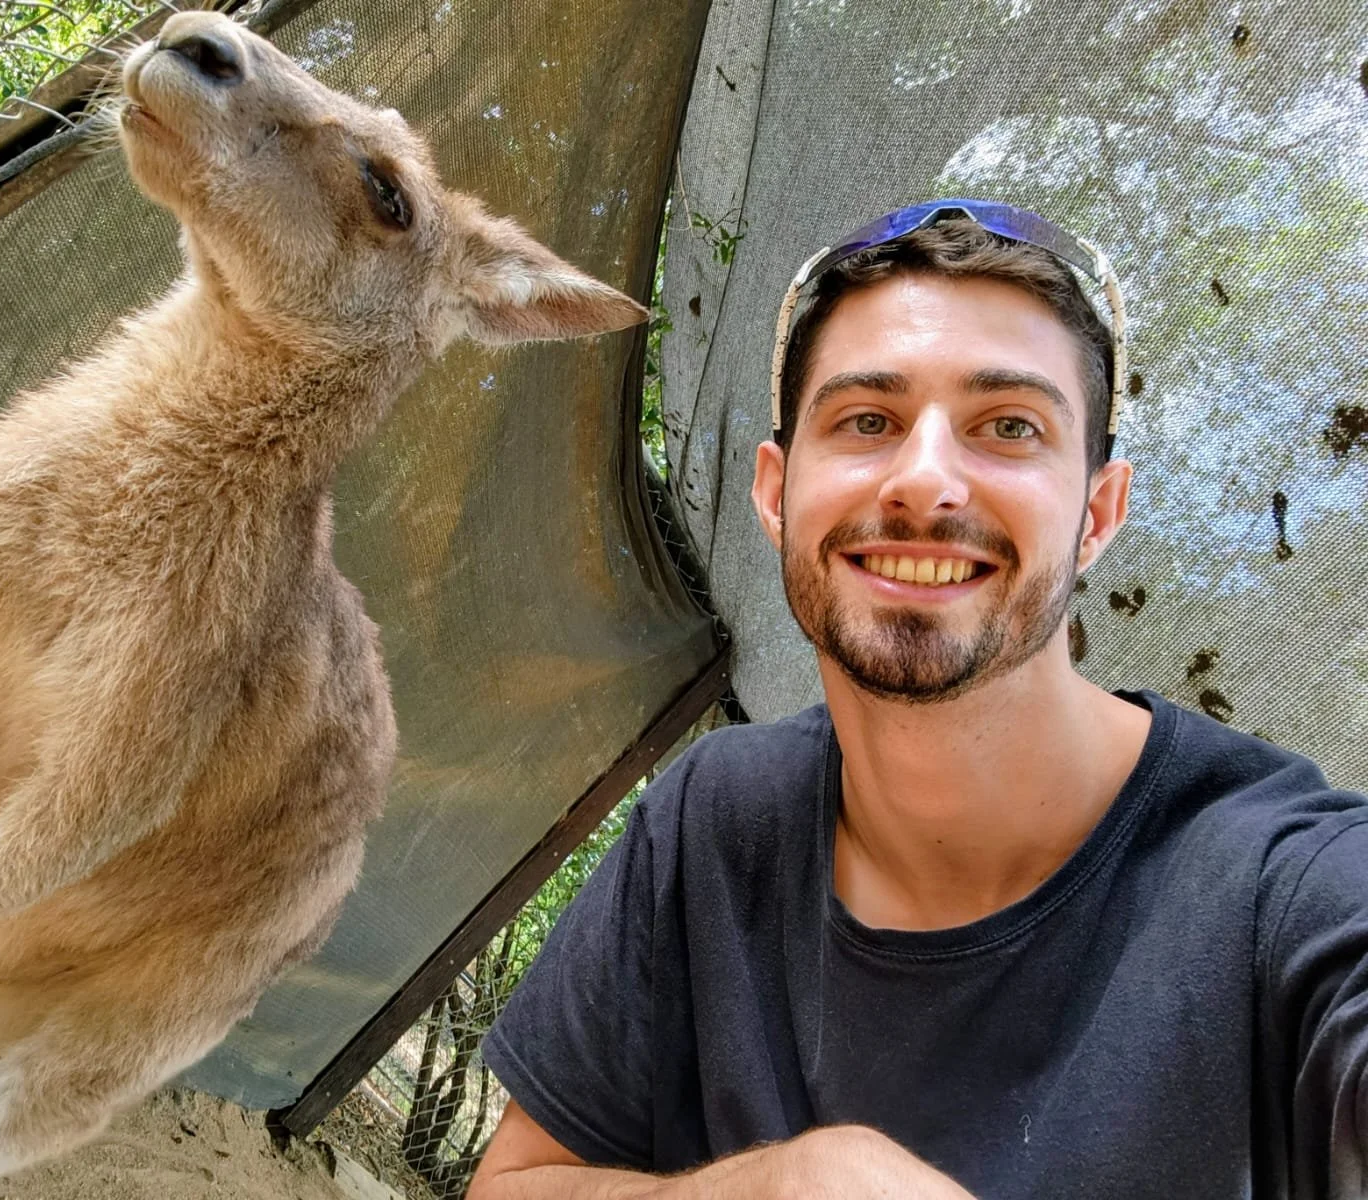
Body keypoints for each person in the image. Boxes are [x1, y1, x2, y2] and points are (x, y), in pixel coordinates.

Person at [466, 201, 1368, 1199]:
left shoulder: (1289, 893)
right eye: (866, 420)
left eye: (1009, 426)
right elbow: (514, 1183)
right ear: (774, 493)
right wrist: (771, 1190)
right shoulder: (715, 819)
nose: (925, 480)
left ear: (1096, 514)